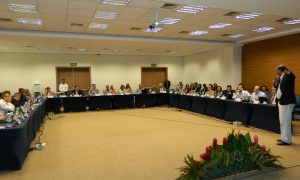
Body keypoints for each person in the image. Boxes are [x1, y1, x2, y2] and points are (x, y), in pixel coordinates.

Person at [276, 65, 296, 146]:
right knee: (282, 121)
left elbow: (293, 76)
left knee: (286, 121)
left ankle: (287, 140)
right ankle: (284, 137)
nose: (278, 72)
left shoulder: (288, 75)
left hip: (287, 102)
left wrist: (288, 71)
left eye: (278, 70)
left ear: (281, 70)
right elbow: (279, 89)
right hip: (282, 102)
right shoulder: (282, 77)